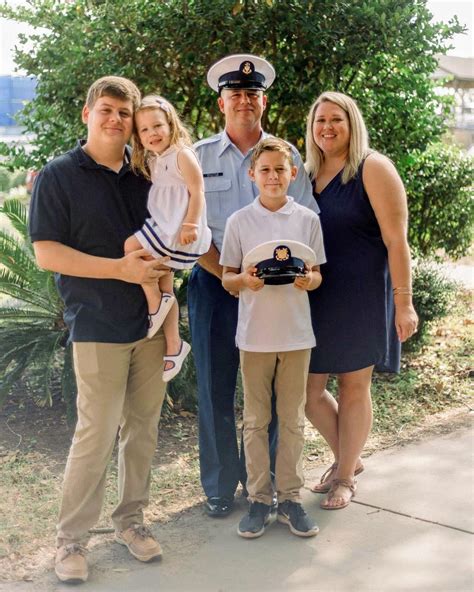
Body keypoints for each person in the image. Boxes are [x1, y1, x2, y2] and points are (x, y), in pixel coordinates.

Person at [29, 76, 169, 584]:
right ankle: (71, 540)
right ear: (87, 113)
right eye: (106, 110)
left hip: (150, 325)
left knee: (141, 431)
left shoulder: (146, 174)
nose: (115, 120)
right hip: (95, 323)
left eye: (124, 113)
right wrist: (119, 269)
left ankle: (131, 522)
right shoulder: (59, 176)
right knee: (96, 433)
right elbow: (47, 253)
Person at [189, 54, 318, 517]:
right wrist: (225, 272)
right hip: (213, 285)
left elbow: (307, 224)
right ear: (221, 104)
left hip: (275, 294)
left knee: (273, 396)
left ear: (262, 101)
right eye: (234, 94)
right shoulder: (198, 157)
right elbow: (186, 226)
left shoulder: (285, 156)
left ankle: (269, 489)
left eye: (251, 94)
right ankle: (221, 486)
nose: (243, 101)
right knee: (216, 386)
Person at [304, 91, 419, 510]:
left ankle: (345, 475)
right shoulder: (306, 173)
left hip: (361, 295)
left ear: (352, 124)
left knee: (354, 386)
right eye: (320, 121)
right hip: (314, 297)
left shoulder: (373, 168)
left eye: (337, 119)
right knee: (307, 392)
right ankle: (348, 458)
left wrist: (403, 302)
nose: (327, 128)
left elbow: (396, 241)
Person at [220, 137, 326, 538]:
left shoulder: (307, 220)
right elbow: (228, 276)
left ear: (293, 174)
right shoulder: (239, 222)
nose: (273, 176)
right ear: (252, 175)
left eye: (280, 170)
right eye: (264, 170)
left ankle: (291, 500)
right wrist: (244, 280)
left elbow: (317, 275)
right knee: (256, 421)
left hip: (297, 335)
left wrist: (308, 280)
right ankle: (259, 500)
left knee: (293, 420)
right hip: (255, 338)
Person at [125, 95, 211, 381]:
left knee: (131, 246)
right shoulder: (155, 158)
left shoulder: (181, 154)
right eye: (145, 130)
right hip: (166, 226)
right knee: (166, 287)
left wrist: (190, 224)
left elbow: (197, 191)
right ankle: (174, 346)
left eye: (157, 126)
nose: (152, 133)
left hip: (176, 229)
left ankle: (153, 302)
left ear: (171, 124)